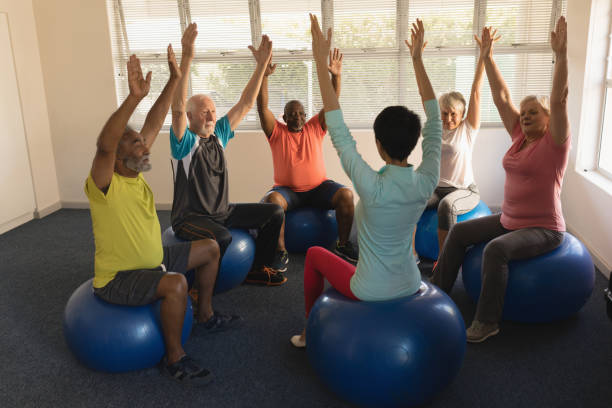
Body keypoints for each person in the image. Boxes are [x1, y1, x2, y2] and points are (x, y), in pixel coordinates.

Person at [290, 15, 441, 347]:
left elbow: (338, 129)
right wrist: (417, 60)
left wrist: (319, 62)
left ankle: (306, 331)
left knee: (315, 254)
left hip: (369, 288)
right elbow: (435, 120)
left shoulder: (372, 186)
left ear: (379, 145)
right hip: (411, 281)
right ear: (415, 141)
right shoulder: (427, 179)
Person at [86, 46, 228, 384]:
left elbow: (155, 121)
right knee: (177, 283)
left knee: (210, 247)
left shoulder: (135, 172)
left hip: (154, 260)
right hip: (119, 278)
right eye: (136, 145)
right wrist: (132, 100)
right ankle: (174, 357)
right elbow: (105, 145)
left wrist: (174, 81)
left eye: (142, 143)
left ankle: (206, 314)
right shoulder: (104, 184)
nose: (145, 146)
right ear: (117, 157)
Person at [431, 18, 570, 343]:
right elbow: (500, 96)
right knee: (460, 231)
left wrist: (561, 56)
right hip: (510, 220)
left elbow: (560, 97)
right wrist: (488, 56)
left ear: (548, 119)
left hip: (544, 228)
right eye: (523, 112)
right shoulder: (520, 136)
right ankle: (435, 291)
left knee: (495, 251)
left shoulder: (555, 143)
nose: (524, 115)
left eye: (533, 111)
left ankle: (487, 321)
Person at [169, 24, 287, 286]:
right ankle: (199, 289)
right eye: (203, 112)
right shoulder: (184, 144)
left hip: (221, 211)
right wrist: (187, 56)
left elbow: (245, 103)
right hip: (190, 219)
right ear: (190, 118)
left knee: (274, 213)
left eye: (212, 110)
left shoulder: (218, 136)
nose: (211, 116)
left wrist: (261, 66)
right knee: (222, 237)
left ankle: (257, 269)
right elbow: (176, 108)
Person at [256, 44, 357, 264]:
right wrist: (263, 76)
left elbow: (332, 104)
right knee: (272, 201)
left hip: (318, 188)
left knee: (346, 195)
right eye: (292, 114)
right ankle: (280, 251)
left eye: (301, 113)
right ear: (284, 117)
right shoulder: (276, 132)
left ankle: (343, 245)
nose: (298, 117)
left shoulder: (315, 127)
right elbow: (262, 107)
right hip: (288, 191)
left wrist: (336, 77)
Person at [418, 30, 493, 259]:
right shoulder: (434, 126)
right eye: (444, 113)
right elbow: (424, 94)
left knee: (446, 207)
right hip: (434, 187)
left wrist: (483, 56)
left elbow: (476, 92)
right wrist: (417, 59)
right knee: (411, 200)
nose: (448, 118)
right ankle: (409, 253)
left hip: (463, 190)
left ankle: (444, 261)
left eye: (453, 114)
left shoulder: (467, 130)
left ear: (462, 115)